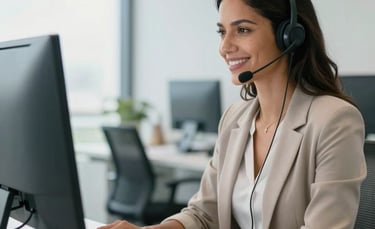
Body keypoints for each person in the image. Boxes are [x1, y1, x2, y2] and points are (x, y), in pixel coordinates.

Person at [98, 0, 367, 228]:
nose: (224, 47)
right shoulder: (235, 119)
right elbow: (204, 213)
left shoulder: (334, 120)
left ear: (289, 35)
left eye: (242, 30)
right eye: (222, 32)